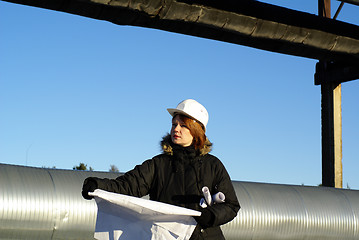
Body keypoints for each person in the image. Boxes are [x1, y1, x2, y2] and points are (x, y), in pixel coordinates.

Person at [82, 99, 240, 240]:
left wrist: (211, 216)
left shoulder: (213, 165)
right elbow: (128, 186)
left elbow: (231, 205)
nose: (176, 129)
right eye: (174, 124)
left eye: (183, 125)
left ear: (197, 131)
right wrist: (98, 186)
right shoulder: (158, 165)